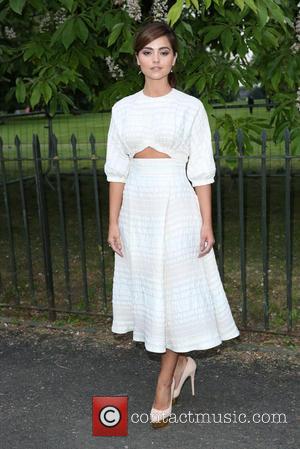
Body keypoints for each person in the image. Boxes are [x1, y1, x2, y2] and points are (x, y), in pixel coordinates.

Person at [104, 21, 240, 429]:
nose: (156, 60)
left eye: (163, 52)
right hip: (137, 211)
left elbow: (202, 170)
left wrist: (207, 223)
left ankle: (165, 381)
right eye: (148, 52)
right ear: (137, 60)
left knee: (176, 294)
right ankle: (182, 363)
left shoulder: (190, 107)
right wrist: (113, 222)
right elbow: (116, 170)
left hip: (179, 207)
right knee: (153, 293)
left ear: (174, 58)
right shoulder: (123, 108)